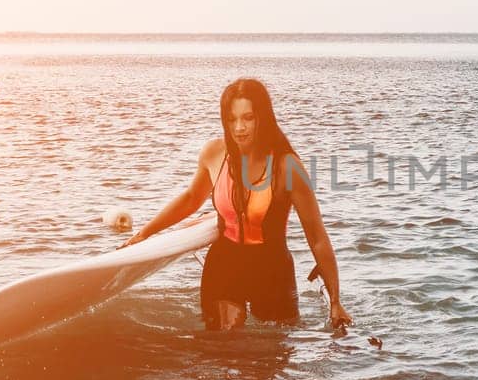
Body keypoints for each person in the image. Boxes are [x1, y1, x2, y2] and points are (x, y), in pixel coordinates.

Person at [122, 78, 352, 333]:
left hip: (272, 270)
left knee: (270, 362)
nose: (239, 128)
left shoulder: (287, 167)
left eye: (248, 118)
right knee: (221, 347)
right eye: (232, 119)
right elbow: (190, 199)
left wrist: (336, 302)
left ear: (262, 117)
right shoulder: (214, 153)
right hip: (224, 265)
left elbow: (317, 236)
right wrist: (145, 232)